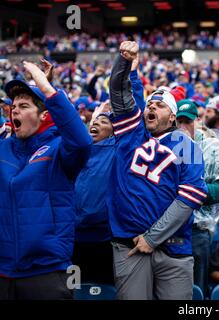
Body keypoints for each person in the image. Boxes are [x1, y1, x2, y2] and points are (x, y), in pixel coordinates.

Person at [108, 41, 207, 300]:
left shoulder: (186, 144)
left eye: (160, 105)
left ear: (173, 117)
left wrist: (152, 238)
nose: (151, 107)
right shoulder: (132, 132)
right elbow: (119, 93)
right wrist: (125, 62)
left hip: (174, 247)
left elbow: (191, 196)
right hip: (128, 244)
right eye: (150, 104)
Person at [0, 61, 92, 299]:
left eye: (23, 106)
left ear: (43, 116)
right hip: (3, 271)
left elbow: (82, 141)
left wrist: (48, 90)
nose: (14, 110)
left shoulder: (59, 149)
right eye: (13, 106)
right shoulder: (3, 149)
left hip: (47, 271)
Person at [176, 98, 219, 295]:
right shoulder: (166, 147)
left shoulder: (212, 147)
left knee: (196, 290)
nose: (183, 127)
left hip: (197, 229)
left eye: (187, 121)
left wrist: (190, 192)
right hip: (167, 229)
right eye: (179, 122)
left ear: (197, 121)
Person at [72, 101, 115, 285]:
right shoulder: (77, 150)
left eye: (104, 122)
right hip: (73, 240)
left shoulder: (118, 150)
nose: (96, 123)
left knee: (103, 292)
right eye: (95, 121)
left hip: (104, 241)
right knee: (72, 291)